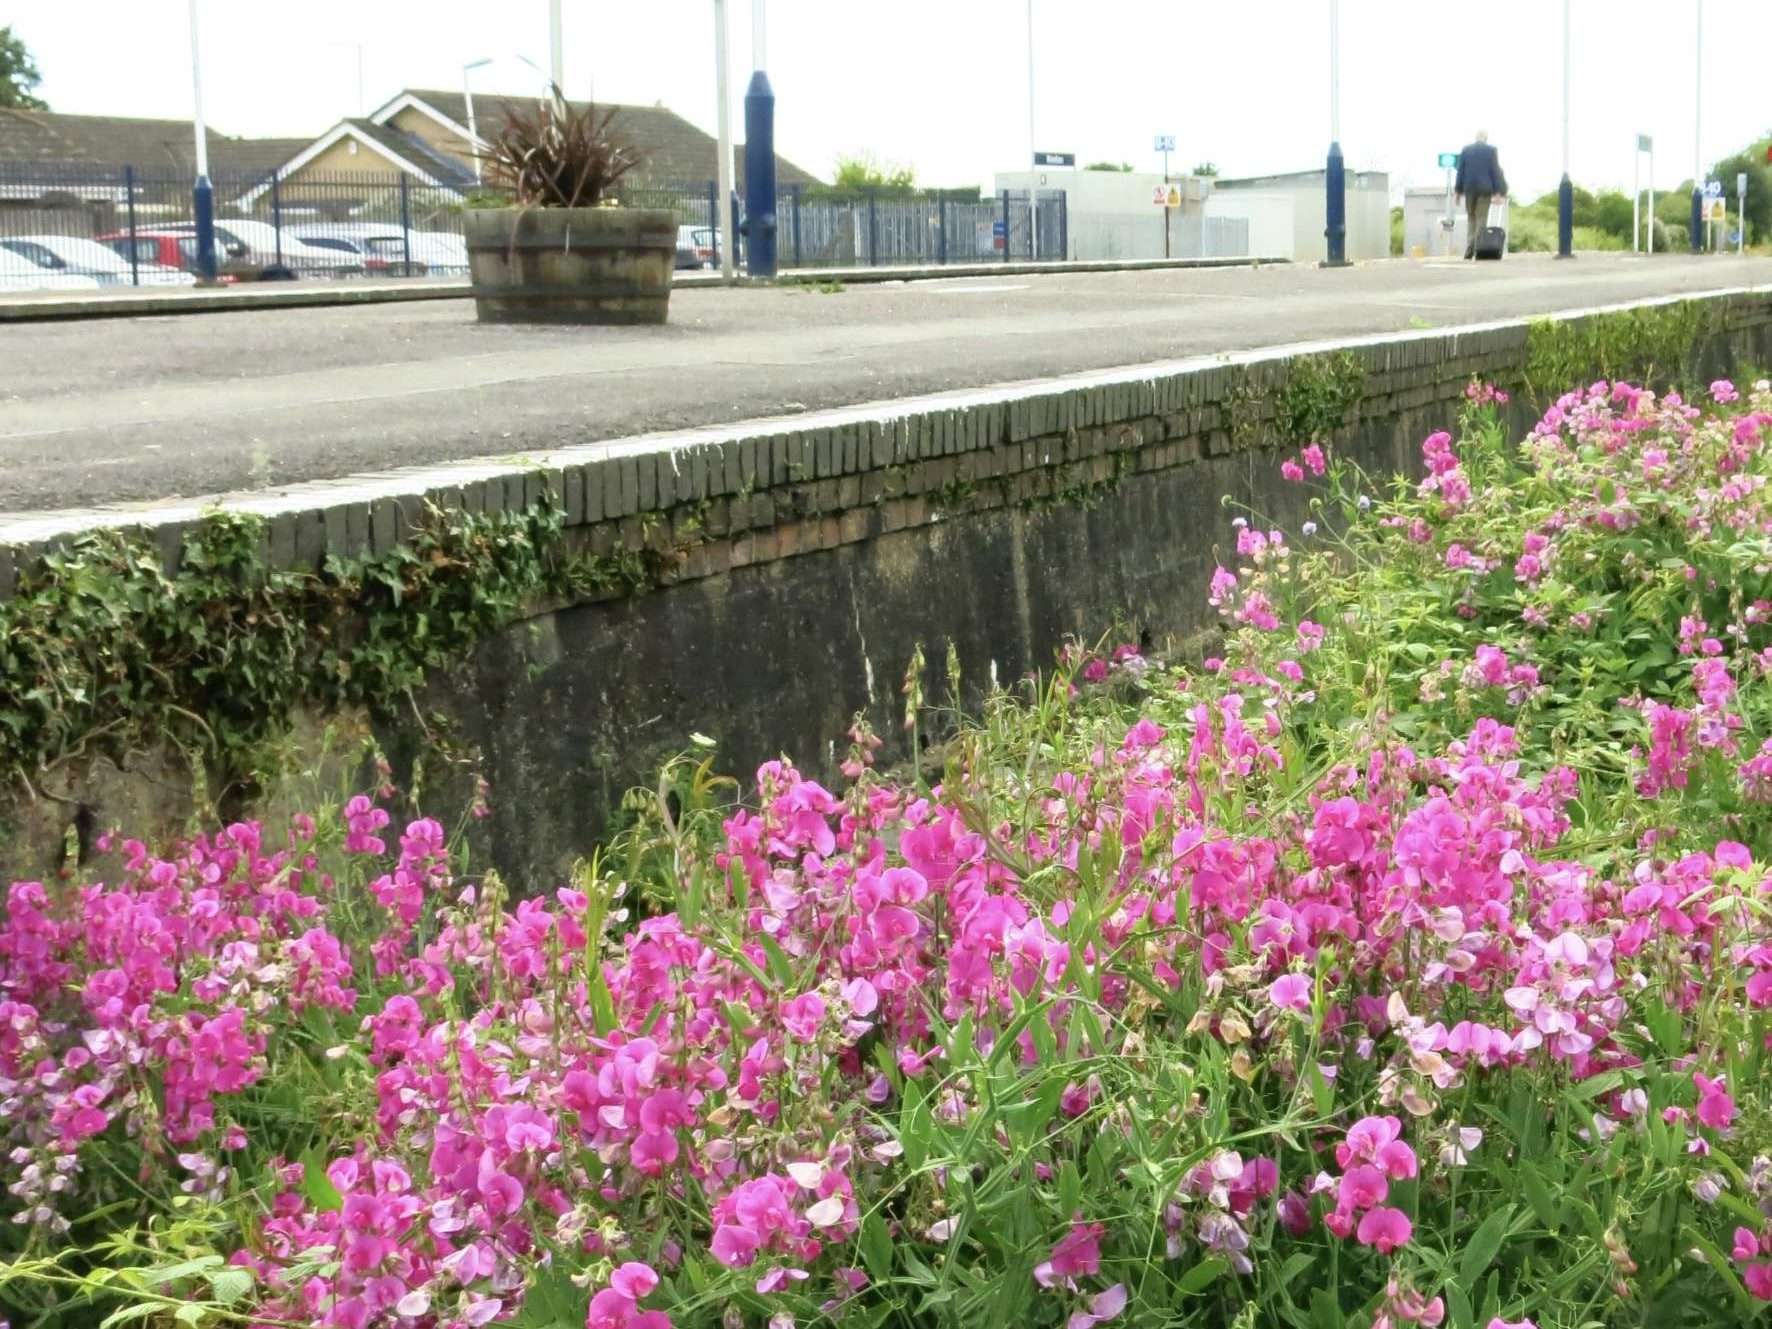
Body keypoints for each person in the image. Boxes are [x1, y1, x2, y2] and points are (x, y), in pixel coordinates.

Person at [1454, 131, 1509, 260]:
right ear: (1486, 138)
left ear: (1476, 138)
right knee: (1481, 218)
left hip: (1469, 189)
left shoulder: (1466, 150)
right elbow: (1494, 171)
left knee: (1471, 217)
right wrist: (1498, 192)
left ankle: (1470, 246)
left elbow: (1460, 171)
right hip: (1485, 189)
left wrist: (1457, 191)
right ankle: (1478, 247)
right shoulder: (1491, 150)